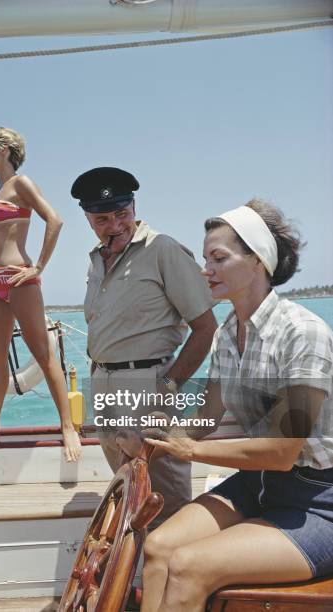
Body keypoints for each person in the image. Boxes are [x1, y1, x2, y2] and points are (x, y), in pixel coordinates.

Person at [141, 199, 333, 611]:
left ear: (258, 262)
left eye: (218, 258)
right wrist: (161, 433)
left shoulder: (304, 333)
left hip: (319, 500)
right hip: (258, 483)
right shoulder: (228, 332)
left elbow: (282, 453)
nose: (205, 269)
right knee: (158, 548)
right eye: (205, 258)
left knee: (190, 565)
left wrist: (189, 450)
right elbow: (207, 417)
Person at [71, 166, 217, 526]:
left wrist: (165, 391)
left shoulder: (163, 250)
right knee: (128, 494)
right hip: (103, 384)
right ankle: (139, 578)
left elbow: (205, 328)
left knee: (164, 500)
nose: (115, 225)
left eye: (122, 213)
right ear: (88, 218)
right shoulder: (95, 261)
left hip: (149, 385)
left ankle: (177, 577)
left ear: (134, 206)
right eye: (102, 218)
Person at [0, 126, 81, 461]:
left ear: (4, 151)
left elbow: (55, 220)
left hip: (19, 279)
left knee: (42, 352)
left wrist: (38, 267)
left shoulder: (22, 183)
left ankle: (67, 426)